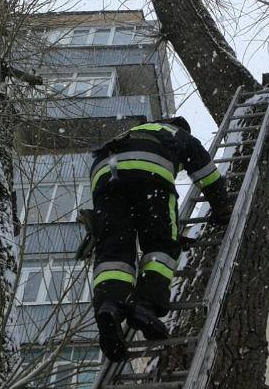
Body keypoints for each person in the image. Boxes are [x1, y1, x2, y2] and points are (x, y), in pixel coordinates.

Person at [89, 116, 232, 361]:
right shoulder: (174, 133)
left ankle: (111, 306)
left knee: (114, 251)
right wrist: (221, 208)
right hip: (148, 174)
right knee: (161, 245)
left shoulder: (132, 133)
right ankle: (146, 305)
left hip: (103, 174)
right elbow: (205, 170)